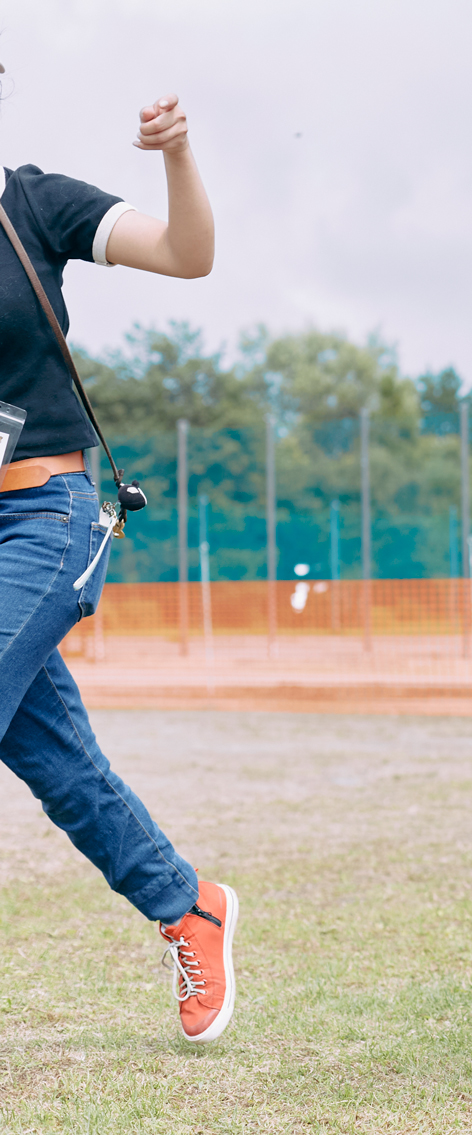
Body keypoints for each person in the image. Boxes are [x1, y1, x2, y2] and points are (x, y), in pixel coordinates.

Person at [0, 76, 237, 1045]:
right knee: (55, 759)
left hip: (42, 515)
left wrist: (177, 154)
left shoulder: (33, 204)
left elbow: (189, 256)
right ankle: (189, 908)